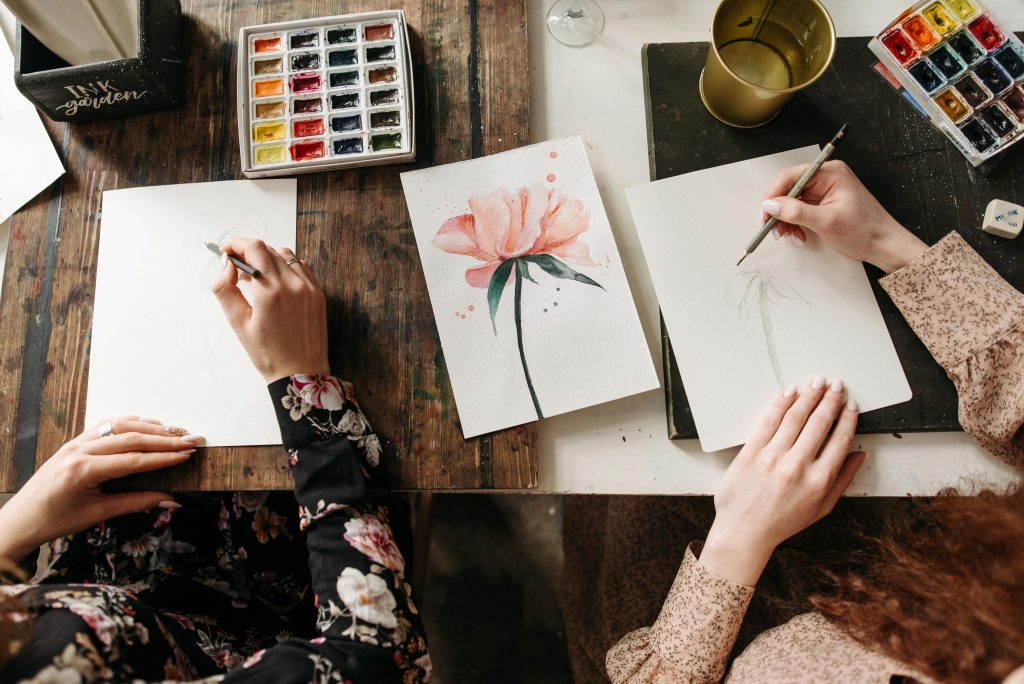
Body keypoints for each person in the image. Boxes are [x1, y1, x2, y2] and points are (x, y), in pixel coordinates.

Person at [561, 161, 1024, 683]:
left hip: (713, 636)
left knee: (624, 510)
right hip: (897, 566)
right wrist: (884, 240)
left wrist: (738, 538)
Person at [0, 241, 431, 682]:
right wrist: (305, 386)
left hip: (105, 548)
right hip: (262, 608)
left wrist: (9, 533)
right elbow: (382, 659)